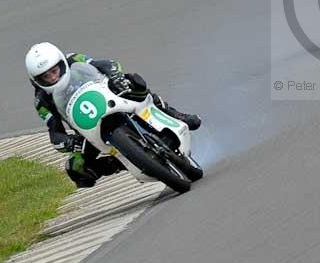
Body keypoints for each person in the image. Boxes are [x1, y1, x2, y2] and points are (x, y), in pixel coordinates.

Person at [25, 42, 201, 188]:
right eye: (45, 77)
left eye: (54, 71)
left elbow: (106, 64)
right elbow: (55, 134)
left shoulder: (74, 59)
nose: (52, 78)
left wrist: (115, 75)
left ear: (62, 63)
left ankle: (176, 115)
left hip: (109, 97)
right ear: (36, 80)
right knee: (76, 168)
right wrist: (69, 142)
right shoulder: (41, 101)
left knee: (133, 83)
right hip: (88, 131)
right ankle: (123, 161)